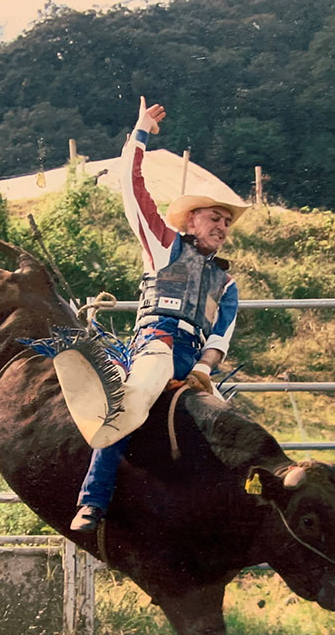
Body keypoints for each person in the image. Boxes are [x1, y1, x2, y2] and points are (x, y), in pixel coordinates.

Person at [61, 96, 249, 532]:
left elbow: (220, 338)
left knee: (231, 430)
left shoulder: (228, 284)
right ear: (191, 222)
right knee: (131, 400)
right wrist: (141, 132)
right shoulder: (165, 246)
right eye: (214, 218)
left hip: (194, 362)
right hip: (155, 344)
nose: (221, 227)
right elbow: (132, 186)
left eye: (226, 222)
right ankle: (92, 502)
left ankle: (226, 521)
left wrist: (203, 371)